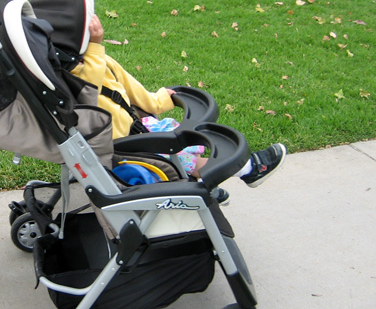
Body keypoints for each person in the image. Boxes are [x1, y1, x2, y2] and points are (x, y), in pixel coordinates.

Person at [71, 14, 287, 193]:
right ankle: (249, 169)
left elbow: (135, 92)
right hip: (120, 148)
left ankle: (201, 183)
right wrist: (95, 48)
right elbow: (89, 86)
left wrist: (159, 100)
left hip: (135, 130)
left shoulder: (104, 63)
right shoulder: (80, 75)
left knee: (181, 134)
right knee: (179, 154)